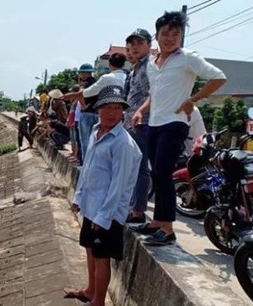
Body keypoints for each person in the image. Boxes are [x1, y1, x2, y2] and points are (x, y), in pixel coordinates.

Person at [130, 11, 226, 246]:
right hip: (154, 123)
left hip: (175, 123)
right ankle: (156, 223)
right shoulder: (153, 64)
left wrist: (193, 99)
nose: (171, 38)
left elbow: (219, 77)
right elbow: (154, 94)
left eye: (176, 33)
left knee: (163, 173)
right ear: (158, 35)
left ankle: (168, 229)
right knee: (156, 173)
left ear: (181, 36)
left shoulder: (187, 58)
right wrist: (141, 110)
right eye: (166, 33)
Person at [65, 85, 142, 306]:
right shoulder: (96, 131)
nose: (111, 112)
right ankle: (90, 291)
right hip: (91, 206)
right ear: (98, 109)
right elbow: (87, 167)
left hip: (106, 213)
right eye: (107, 107)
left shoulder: (123, 143)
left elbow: (118, 186)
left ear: (123, 112)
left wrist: (104, 216)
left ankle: (98, 301)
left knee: (101, 258)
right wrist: (79, 197)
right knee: (90, 251)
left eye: (117, 108)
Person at [64, 56, 127, 162]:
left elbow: (85, 93)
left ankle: (86, 166)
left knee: (87, 141)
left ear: (110, 64)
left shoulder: (106, 78)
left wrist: (70, 95)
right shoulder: (128, 77)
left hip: (99, 114)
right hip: (122, 114)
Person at [123, 28, 154, 224]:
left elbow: (155, 93)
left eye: (139, 43)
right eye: (132, 44)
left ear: (149, 46)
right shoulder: (136, 68)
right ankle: (134, 206)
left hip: (143, 123)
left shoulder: (150, 66)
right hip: (131, 123)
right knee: (133, 167)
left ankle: (138, 211)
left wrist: (140, 112)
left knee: (140, 168)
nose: (134, 47)